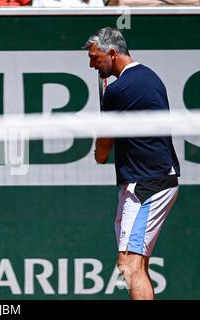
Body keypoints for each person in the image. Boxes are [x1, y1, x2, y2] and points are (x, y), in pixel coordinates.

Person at [83, 27, 180, 300]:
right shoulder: (150, 77)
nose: (92, 64)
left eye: (94, 57)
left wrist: (99, 156)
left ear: (112, 53)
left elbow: (104, 142)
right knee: (138, 265)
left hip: (148, 185)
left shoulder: (119, 89)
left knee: (128, 265)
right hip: (153, 180)